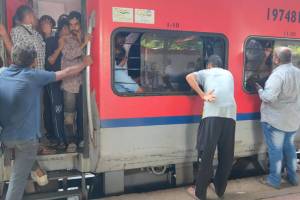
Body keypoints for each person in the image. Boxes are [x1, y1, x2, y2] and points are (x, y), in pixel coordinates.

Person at [0, 44, 92, 200]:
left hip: (5, 138)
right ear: (33, 62)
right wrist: (85, 63)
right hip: (27, 140)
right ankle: (36, 170)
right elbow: (66, 72)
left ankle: (36, 169)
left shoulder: (1, 73)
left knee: (25, 155)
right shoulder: (34, 75)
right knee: (17, 180)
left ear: (12, 59)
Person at [185, 55, 236, 200]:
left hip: (212, 115)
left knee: (206, 154)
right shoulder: (229, 74)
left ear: (209, 65)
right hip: (231, 116)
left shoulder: (207, 72)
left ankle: (199, 194)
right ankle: (219, 189)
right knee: (226, 155)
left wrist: (202, 95)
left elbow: (189, 77)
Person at [256, 47, 300, 189]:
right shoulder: (298, 73)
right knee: (290, 148)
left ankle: (274, 180)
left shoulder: (278, 75)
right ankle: (293, 178)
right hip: (292, 119)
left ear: (276, 59)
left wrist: (259, 90)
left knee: (275, 150)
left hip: (276, 120)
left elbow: (268, 98)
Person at [61, 11, 90, 152]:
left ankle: (81, 139)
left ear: (80, 24)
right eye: (71, 25)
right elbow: (70, 55)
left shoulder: (86, 37)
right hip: (69, 83)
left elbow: (90, 58)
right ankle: (70, 141)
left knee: (82, 112)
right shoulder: (65, 38)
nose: (73, 27)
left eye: (76, 24)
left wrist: (83, 40)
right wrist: (84, 43)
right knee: (69, 115)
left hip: (83, 82)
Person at [40, 15, 69, 149]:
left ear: (52, 25)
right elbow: (49, 61)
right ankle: (56, 138)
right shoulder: (41, 41)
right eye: (43, 23)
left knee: (57, 109)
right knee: (52, 109)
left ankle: (61, 139)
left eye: (48, 22)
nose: (46, 25)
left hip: (56, 79)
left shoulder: (54, 40)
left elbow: (53, 61)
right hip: (49, 79)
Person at [11, 5, 45, 70]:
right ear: (29, 16)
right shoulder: (18, 31)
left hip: (40, 74)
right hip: (30, 76)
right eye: (34, 15)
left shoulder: (35, 33)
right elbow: (18, 57)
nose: (36, 18)